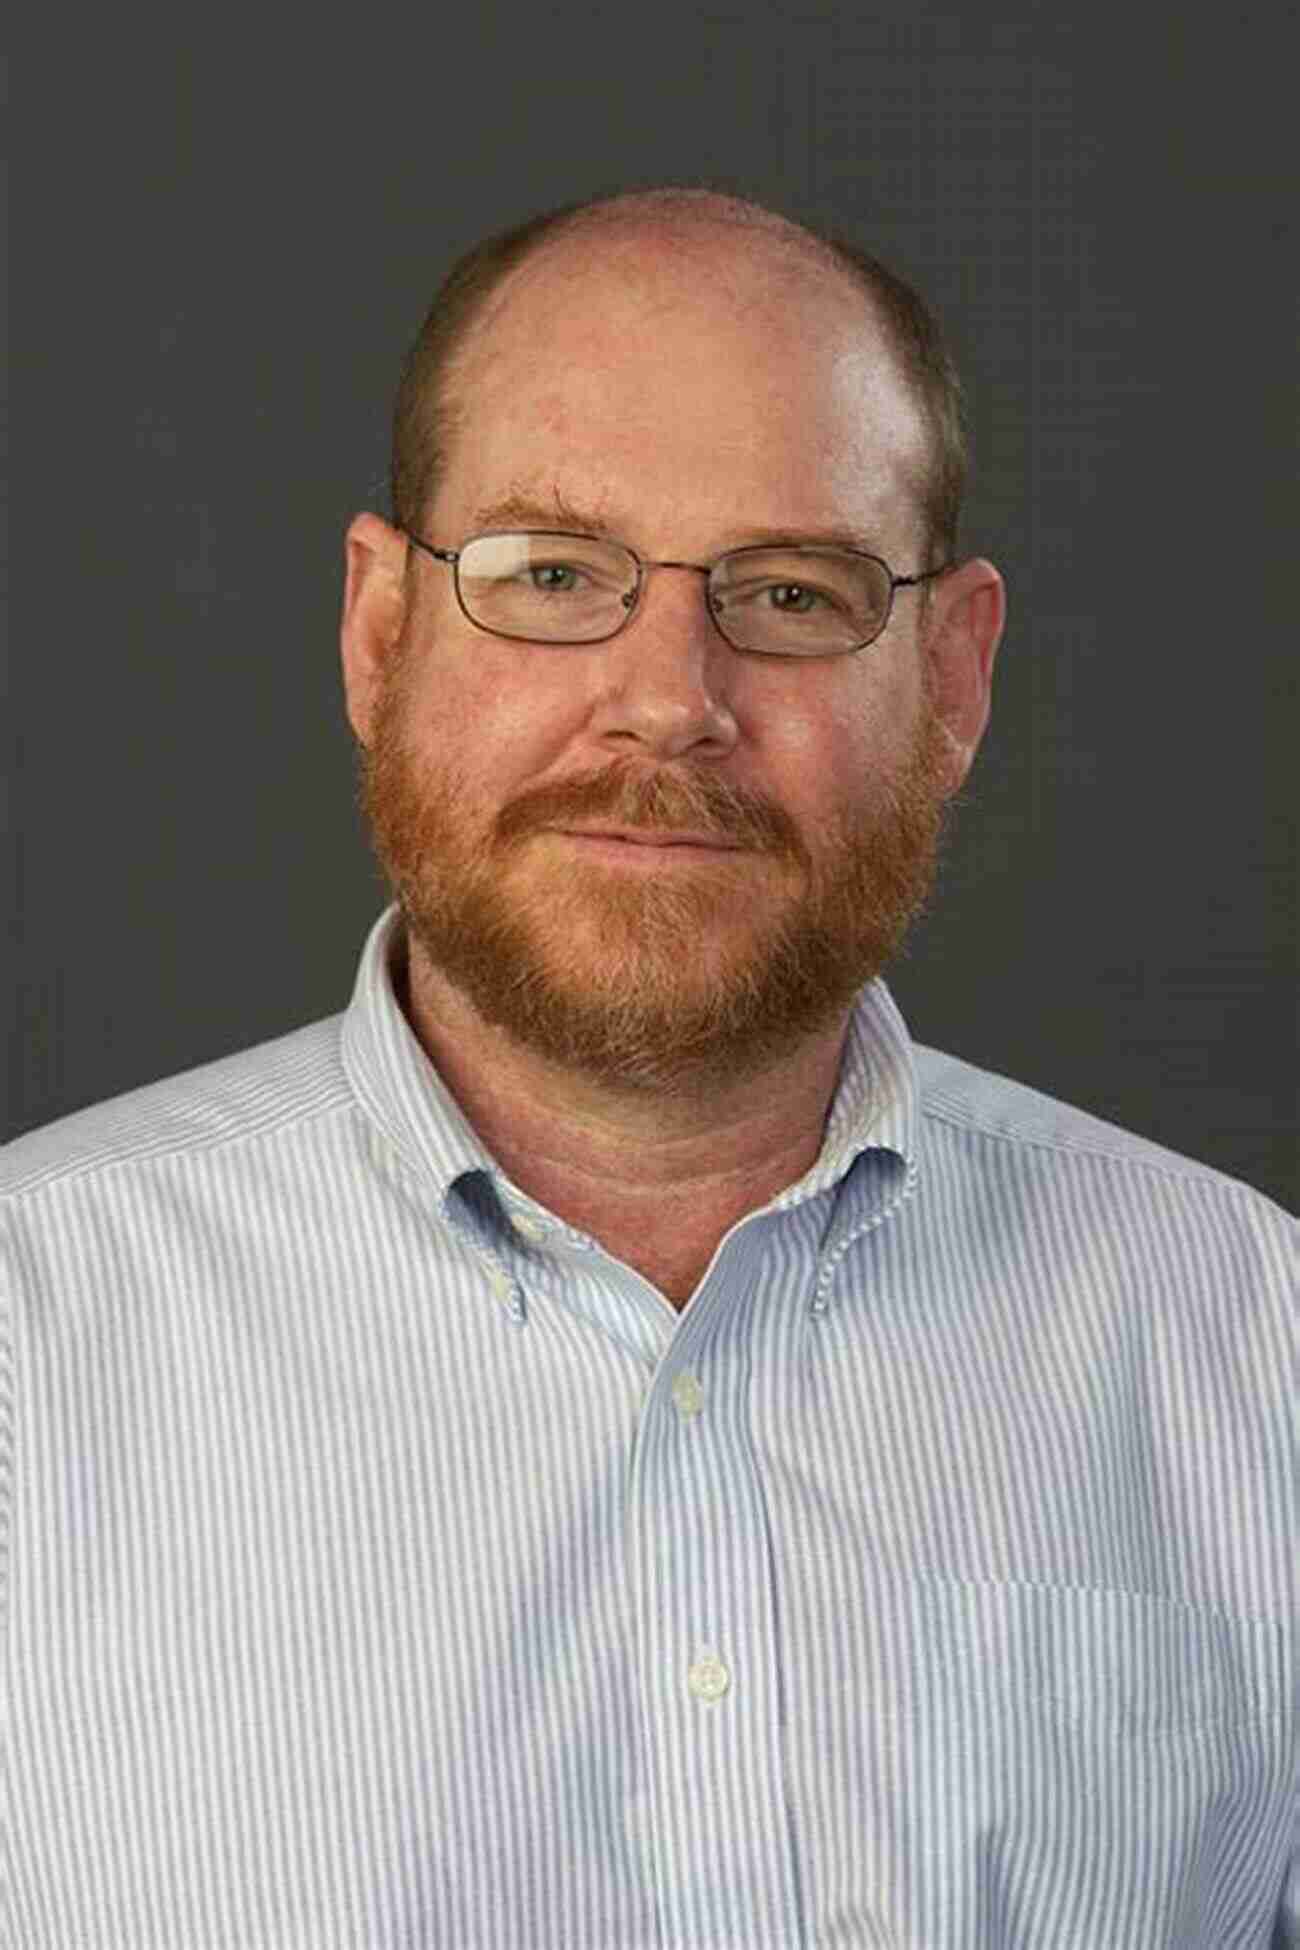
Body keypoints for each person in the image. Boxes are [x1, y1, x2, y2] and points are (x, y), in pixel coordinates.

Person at [3, 185, 1294, 1949]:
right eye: (551, 574)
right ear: (382, 634)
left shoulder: (1257, 1345)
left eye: (790, 590)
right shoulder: (29, 1340)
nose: (668, 697)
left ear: (956, 673)